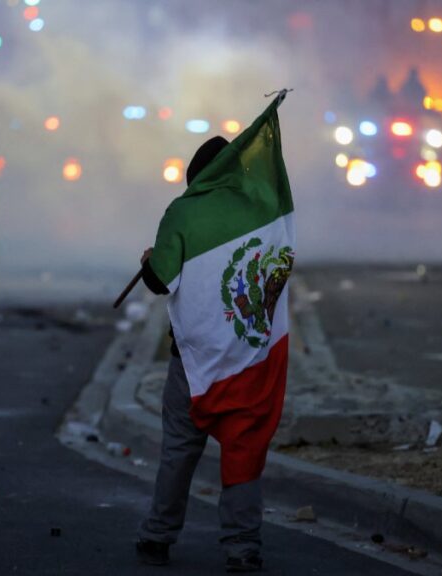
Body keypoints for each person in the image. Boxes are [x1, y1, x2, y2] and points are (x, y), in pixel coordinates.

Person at [134, 105, 295, 571]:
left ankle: (158, 536)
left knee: (180, 448)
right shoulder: (263, 213)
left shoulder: (183, 211)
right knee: (243, 451)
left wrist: (150, 260)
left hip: (194, 361)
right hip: (248, 357)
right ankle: (243, 547)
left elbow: (162, 280)